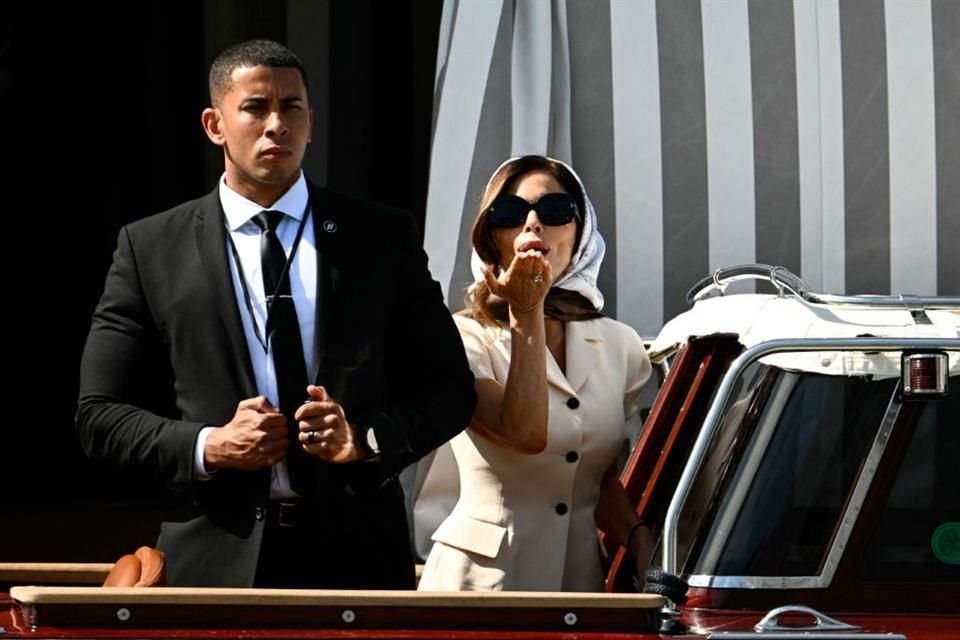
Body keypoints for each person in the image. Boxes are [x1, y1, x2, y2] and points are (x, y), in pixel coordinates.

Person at [75, 39, 476, 589]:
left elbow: (451, 388)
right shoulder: (151, 248)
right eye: (256, 108)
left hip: (356, 558)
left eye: (291, 108)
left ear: (310, 121)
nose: (276, 125)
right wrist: (210, 446)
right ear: (215, 124)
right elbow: (99, 415)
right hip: (212, 560)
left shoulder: (380, 238)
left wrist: (365, 440)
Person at [417, 155, 654, 592]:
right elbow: (524, 433)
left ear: (580, 232)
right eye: (509, 213)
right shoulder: (461, 337)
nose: (532, 224)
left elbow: (592, 475)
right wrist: (526, 308)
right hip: (478, 587)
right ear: (490, 238)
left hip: (576, 585)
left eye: (555, 211)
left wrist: (639, 538)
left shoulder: (621, 345)